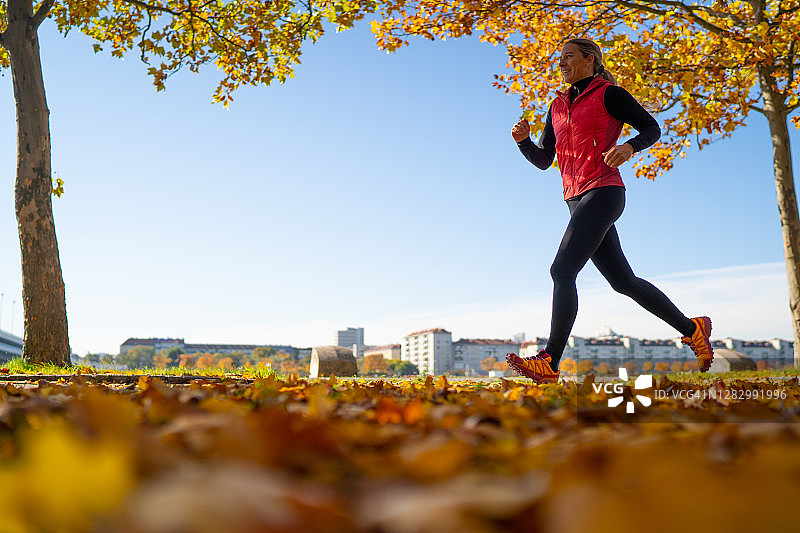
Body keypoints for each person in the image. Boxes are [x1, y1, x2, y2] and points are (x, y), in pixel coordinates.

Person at [505, 38, 714, 383]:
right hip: (576, 200)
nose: (562, 63)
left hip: (604, 191)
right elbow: (545, 160)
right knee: (623, 282)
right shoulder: (557, 105)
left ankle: (549, 361)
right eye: (560, 59)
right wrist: (523, 142)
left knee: (562, 270)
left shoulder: (609, 94)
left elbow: (652, 128)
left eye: (568, 56)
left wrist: (629, 147)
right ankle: (692, 329)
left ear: (589, 60)